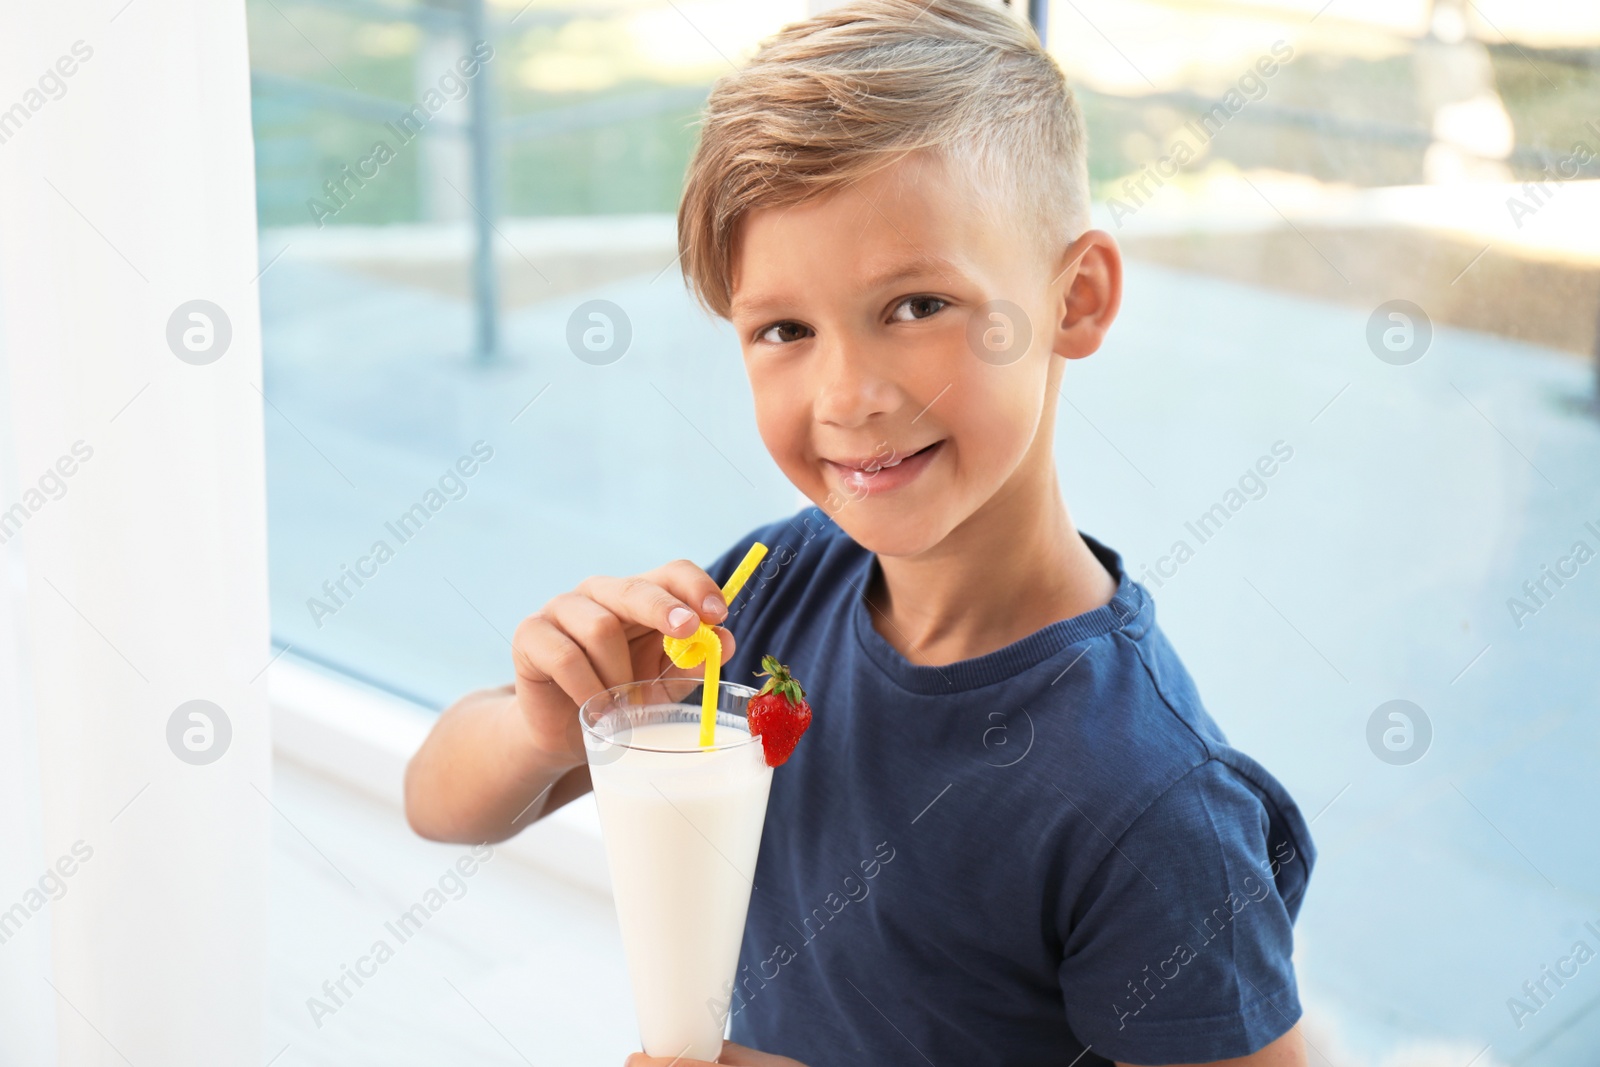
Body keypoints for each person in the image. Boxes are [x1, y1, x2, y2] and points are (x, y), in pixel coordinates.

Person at [404, 2, 1315, 1064]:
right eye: (784, 329)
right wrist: (545, 728)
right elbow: (440, 803)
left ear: (1075, 298)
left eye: (916, 303)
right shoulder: (775, 582)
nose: (848, 395)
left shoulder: (1152, 803)